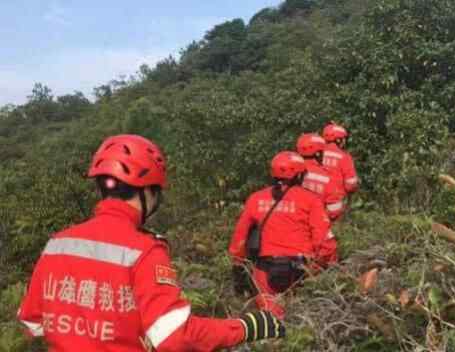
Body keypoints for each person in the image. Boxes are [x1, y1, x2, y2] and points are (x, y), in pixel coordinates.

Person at [17, 135, 284, 352]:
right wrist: (247, 327)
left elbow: (32, 323)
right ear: (147, 191)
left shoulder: (57, 244)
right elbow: (176, 337)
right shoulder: (144, 251)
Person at [228, 151, 337, 319]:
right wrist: (318, 268)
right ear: (300, 175)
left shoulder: (256, 199)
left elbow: (239, 239)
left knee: (271, 320)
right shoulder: (311, 200)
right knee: (305, 318)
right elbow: (325, 243)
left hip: (264, 270)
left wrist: (238, 266)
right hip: (301, 271)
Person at [296, 133, 346, 221]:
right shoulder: (327, 178)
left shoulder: (291, 174)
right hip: (316, 226)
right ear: (318, 154)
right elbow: (335, 209)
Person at [322, 123, 359, 197]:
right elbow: (350, 185)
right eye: (344, 139)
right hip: (335, 200)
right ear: (339, 140)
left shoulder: (316, 155)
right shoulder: (344, 157)